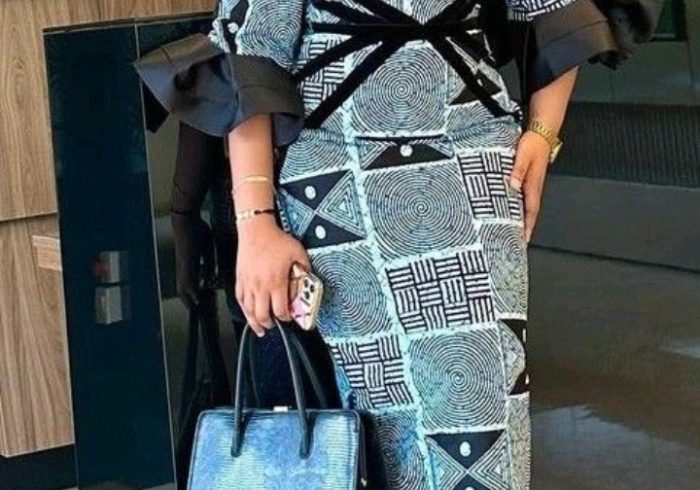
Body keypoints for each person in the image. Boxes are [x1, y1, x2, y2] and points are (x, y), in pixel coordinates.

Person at [135, 0, 661, 487]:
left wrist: (542, 136)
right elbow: (250, 57)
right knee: (376, 419)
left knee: (487, 404)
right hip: (339, 179)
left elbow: (559, 10)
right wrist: (256, 224)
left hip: (475, 167)